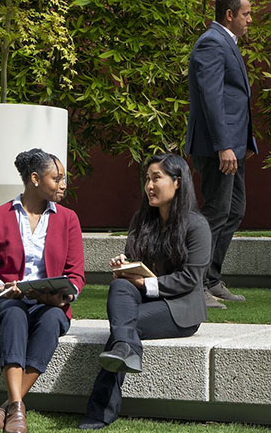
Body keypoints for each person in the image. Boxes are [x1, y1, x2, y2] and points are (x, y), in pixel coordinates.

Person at [77, 154, 210, 430]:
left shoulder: (197, 226)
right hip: (145, 297)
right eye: (147, 179)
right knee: (119, 285)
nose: (149, 185)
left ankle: (99, 410)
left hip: (180, 308)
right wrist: (125, 267)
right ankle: (126, 348)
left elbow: (191, 278)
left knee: (123, 329)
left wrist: (146, 285)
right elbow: (136, 264)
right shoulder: (141, 220)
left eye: (156, 178)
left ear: (178, 182)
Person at [0, 149, 85, 433]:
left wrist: (63, 294)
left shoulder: (68, 219)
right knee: (14, 313)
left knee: (52, 320)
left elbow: (76, 275)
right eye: (56, 178)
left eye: (63, 178)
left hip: (47, 305)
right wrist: (1, 288)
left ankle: (10, 407)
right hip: (0, 307)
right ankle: (17, 408)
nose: (63, 184)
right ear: (35, 179)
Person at [184, 0, 255, 309]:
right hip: (217, 148)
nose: (250, 20)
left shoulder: (226, 42)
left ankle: (211, 278)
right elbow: (212, 98)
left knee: (234, 209)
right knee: (214, 212)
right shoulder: (212, 42)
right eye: (246, 14)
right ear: (230, 15)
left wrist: (244, 143)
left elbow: (233, 99)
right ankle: (194, 285)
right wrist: (224, 146)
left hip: (231, 148)